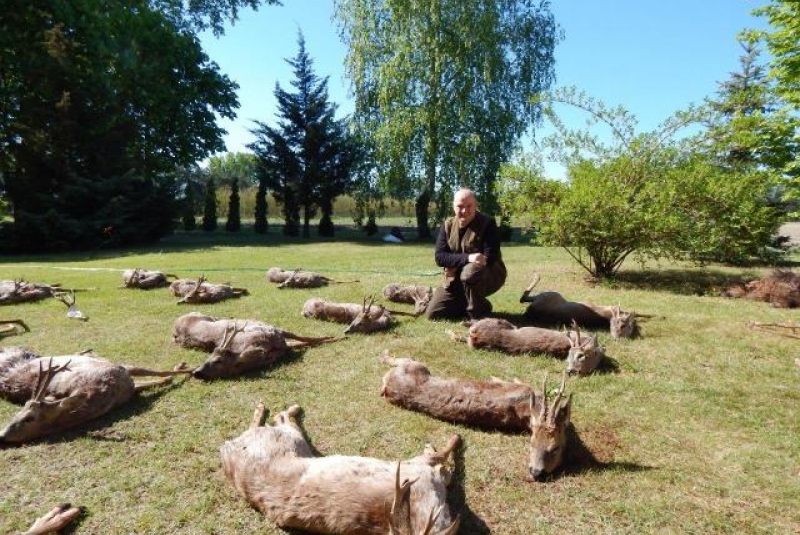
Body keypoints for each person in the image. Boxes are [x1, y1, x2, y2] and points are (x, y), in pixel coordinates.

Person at [425, 188, 507, 320]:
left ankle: (476, 315)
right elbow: (440, 258)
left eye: (469, 206)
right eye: (460, 206)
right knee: (434, 313)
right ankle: (481, 305)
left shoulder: (488, 224)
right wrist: (469, 258)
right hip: (456, 278)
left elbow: (491, 257)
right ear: (453, 206)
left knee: (470, 272)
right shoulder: (448, 225)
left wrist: (456, 262)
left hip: (489, 276)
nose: (464, 211)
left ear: (475, 206)